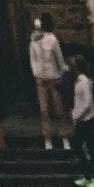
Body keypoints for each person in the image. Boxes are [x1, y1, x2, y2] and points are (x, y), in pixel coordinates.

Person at [33, 19, 75, 149]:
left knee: (52, 110)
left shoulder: (51, 40)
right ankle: (54, 139)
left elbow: (57, 59)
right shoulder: (37, 41)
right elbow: (35, 59)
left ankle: (58, 138)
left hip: (51, 78)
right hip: (46, 78)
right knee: (51, 110)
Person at [71, 60, 94, 187]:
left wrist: (77, 115)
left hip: (88, 119)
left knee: (90, 147)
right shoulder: (78, 81)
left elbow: (87, 102)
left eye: (71, 66)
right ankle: (87, 175)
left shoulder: (84, 82)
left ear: (77, 68)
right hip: (82, 119)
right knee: (79, 146)